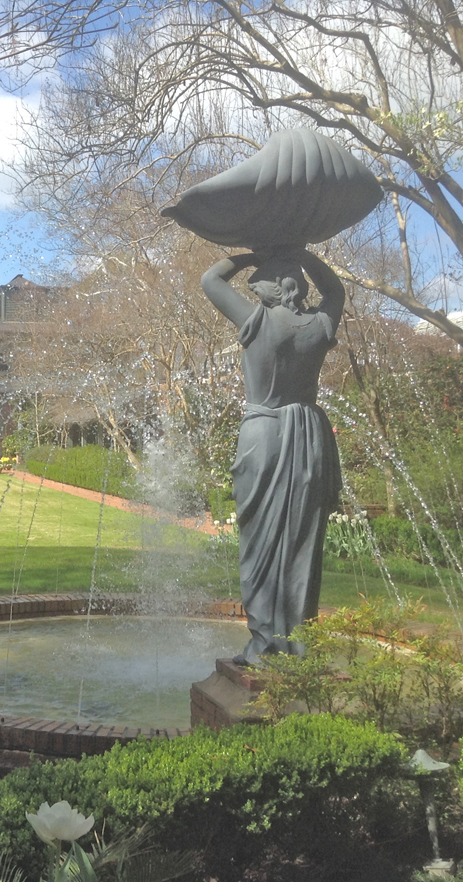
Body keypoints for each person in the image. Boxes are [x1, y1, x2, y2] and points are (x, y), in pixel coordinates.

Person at [200, 249, 344, 666]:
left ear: (283, 285)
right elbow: (335, 289)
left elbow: (212, 280)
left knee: (258, 541)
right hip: (310, 434)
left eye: (260, 279)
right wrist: (303, 254)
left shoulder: (256, 319)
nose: (253, 286)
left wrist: (247, 254)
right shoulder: (320, 325)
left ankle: (264, 642)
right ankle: (297, 643)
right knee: (302, 544)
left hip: (264, 432)